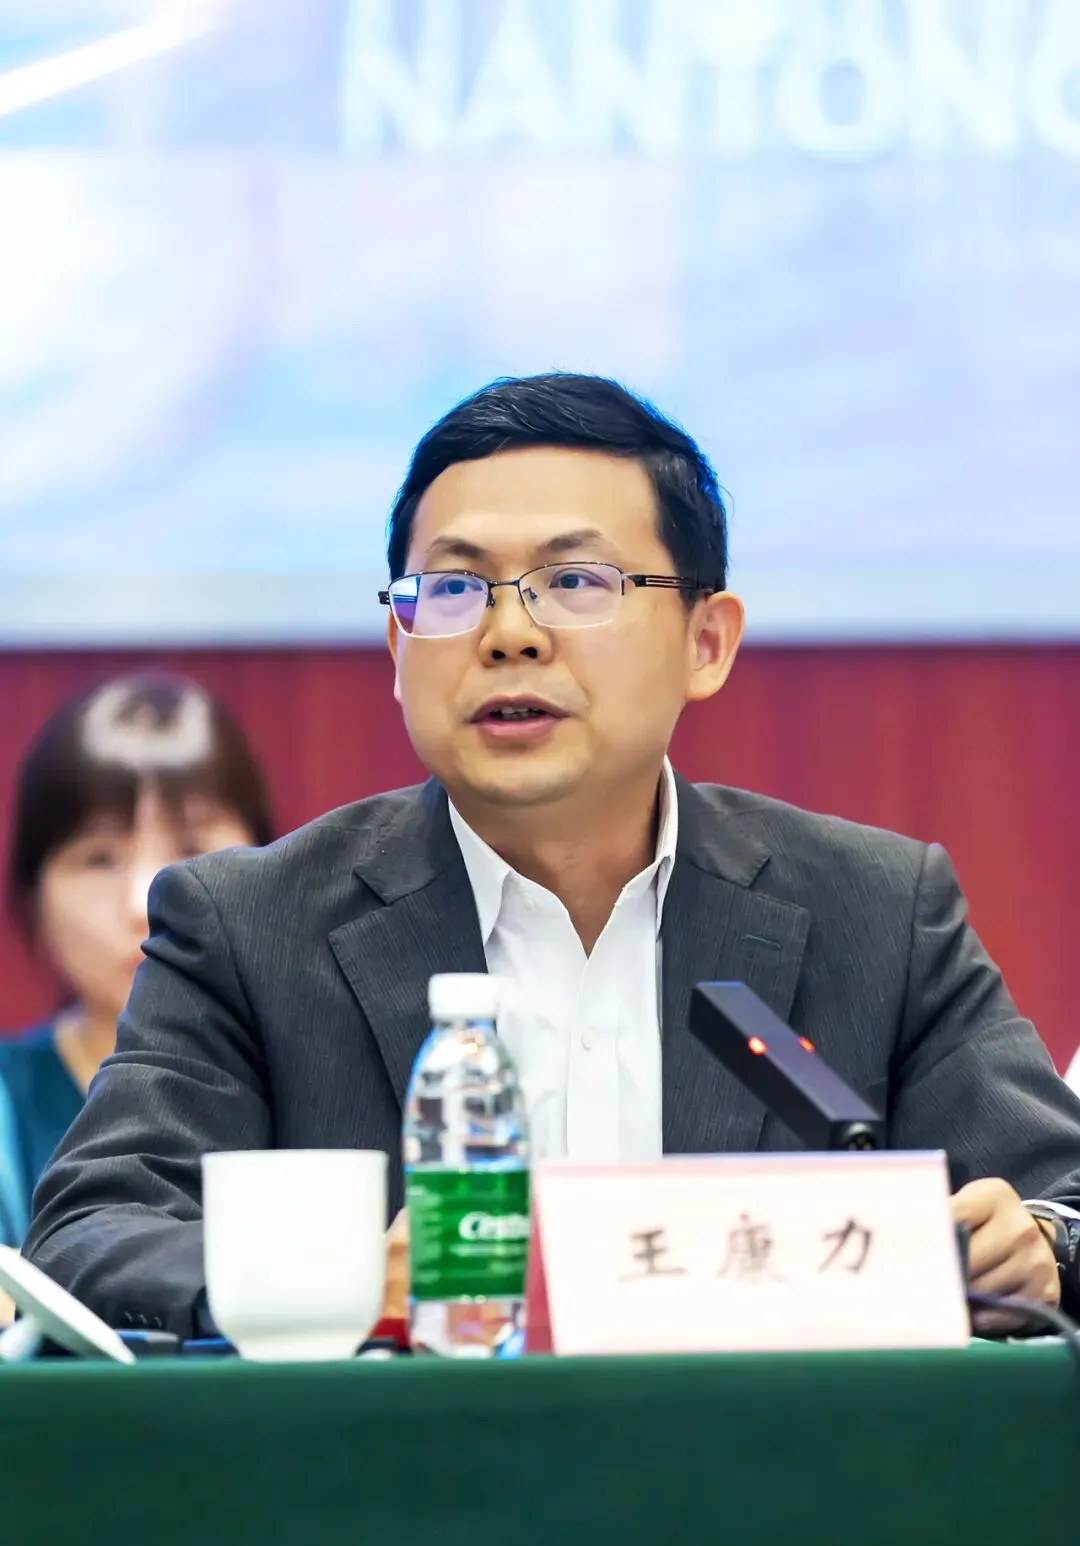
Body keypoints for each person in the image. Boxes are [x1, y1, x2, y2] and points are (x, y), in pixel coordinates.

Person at [24, 374, 1080, 1339]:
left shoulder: (875, 911)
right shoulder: (250, 928)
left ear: (706, 641)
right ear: (399, 648)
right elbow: (92, 1233)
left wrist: (1038, 1242)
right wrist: (334, 1279)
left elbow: (1062, 1200)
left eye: (575, 582)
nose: (509, 634)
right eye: (453, 590)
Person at [0, 672, 272, 1245]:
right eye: (99, 859)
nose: (142, 902)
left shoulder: (322, 1079)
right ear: (31, 892)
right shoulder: (8, 1101)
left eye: (192, 848)